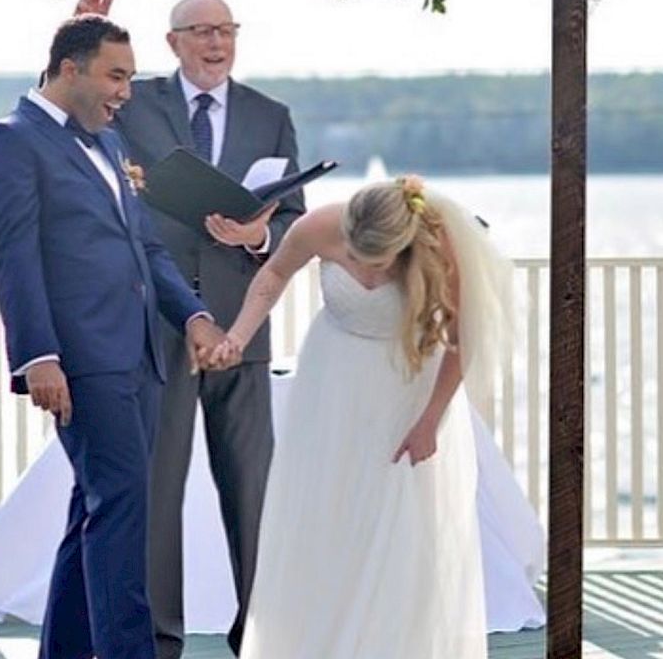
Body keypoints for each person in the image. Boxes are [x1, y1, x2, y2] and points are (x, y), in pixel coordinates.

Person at [0, 14, 228, 659]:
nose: (126, 92)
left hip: (139, 355)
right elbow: (15, 258)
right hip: (82, 359)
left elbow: (144, 246)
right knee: (122, 512)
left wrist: (193, 315)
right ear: (68, 69)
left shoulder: (108, 146)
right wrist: (38, 356)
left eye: (131, 77)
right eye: (115, 76)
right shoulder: (10, 141)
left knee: (95, 509)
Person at [77, 0, 306, 658]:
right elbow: (75, 112)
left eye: (226, 30)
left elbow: (290, 213)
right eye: (201, 31)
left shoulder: (272, 113)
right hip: (159, 321)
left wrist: (257, 238)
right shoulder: (135, 102)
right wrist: (81, 32)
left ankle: (261, 636)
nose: (216, 42)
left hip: (242, 327)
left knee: (253, 494)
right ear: (173, 43)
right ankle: (156, 641)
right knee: (156, 492)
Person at [214, 175, 514, 658]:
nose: (358, 266)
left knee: (401, 522)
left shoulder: (438, 244)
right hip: (331, 381)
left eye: (373, 261)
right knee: (326, 511)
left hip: (408, 389)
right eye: (351, 254)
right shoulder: (319, 226)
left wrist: (430, 421)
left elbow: (464, 338)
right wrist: (238, 336)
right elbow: (271, 276)